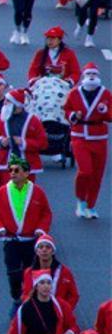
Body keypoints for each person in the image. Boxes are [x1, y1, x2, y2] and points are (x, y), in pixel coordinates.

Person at [0, 158, 54, 302]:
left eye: (17, 170)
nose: (12, 173)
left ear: (26, 173)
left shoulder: (37, 192)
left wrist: (41, 229)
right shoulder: (2, 192)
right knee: (12, 271)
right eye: (10, 170)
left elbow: (46, 213)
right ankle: (16, 295)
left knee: (30, 270)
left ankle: (30, 297)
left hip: (30, 240)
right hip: (11, 239)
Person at [65, 63, 112, 218]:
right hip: (80, 136)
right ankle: (81, 200)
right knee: (85, 170)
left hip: (99, 137)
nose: (91, 77)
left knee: (97, 174)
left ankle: (91, 206)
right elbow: (67, 110)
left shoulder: (106, 94)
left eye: (94, 74)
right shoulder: (74, 94)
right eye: (89, 74)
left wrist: (106, 112)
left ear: (98, 77)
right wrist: (73, 116)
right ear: (84, 77)